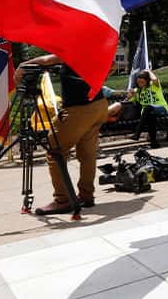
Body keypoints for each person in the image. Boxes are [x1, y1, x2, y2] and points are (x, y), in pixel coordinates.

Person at [14, 53, 109, 214]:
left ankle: (63, 200)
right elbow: (112, 64)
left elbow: (47, 60)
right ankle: (86, 196)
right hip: (99, 105)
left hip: (79, 108)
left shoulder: (75, 45)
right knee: (87, 154)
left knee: (55, 150)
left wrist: (22, 66)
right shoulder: (95, 46)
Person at [127, 69, 168, 148]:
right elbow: (128, 100)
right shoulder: (137, 91)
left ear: (147, 81)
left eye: (142, 82)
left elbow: (155, 79)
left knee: (148, 108)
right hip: (147, 113)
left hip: (161, 108)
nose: (140, 84)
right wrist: (131, 94)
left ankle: (137, 133)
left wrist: (149, 71)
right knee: (151, 116)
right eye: (138, 82)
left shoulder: (154, 85)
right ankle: (154, 143)